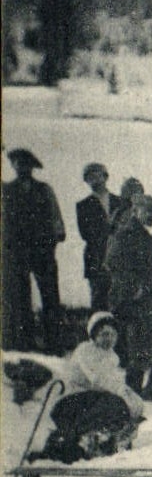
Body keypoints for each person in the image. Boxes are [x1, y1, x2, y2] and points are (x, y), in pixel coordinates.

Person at [35, 311, 147, 463]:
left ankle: (106, 441)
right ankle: (78, 440)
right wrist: (123, 394)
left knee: (121, 407)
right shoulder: (85, 350)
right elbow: (98, 379)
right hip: (70, 403)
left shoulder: (112, 357)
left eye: (112, 334)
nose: (109, 339)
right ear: (94, 335)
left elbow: (117, 383)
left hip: (91, 402)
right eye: (104, 334)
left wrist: (134, 400)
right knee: (114, 403)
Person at [106, 191, 152, 402]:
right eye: (149, 211)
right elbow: (112, 263)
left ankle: (151, 388)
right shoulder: (125, 233)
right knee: (138, 351)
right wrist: (134, 288)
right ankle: (131, 401)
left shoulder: (143, 235)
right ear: (135, 210)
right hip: (134, 302)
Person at [2, 148, 66, 352]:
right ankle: (23, 342)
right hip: (17, 252)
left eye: (26, 164)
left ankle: (54, 342)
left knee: (50, 296)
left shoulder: (44, 189)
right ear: (13, 166)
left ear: (32, 167)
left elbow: (56, 217)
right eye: (18, 163)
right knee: (19, 297)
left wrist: (55, 238)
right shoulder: (6, 190)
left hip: (43, 251)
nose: (22, 167)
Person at [76, 162, 117, 311]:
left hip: (118, 258)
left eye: (95, 174)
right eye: (88, 176)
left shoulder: (120, 202)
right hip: (95, 258)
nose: (92, 178)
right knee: (98, 302)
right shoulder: (82, 206)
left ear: (105, 176)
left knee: (119, 301)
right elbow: (86, 233)